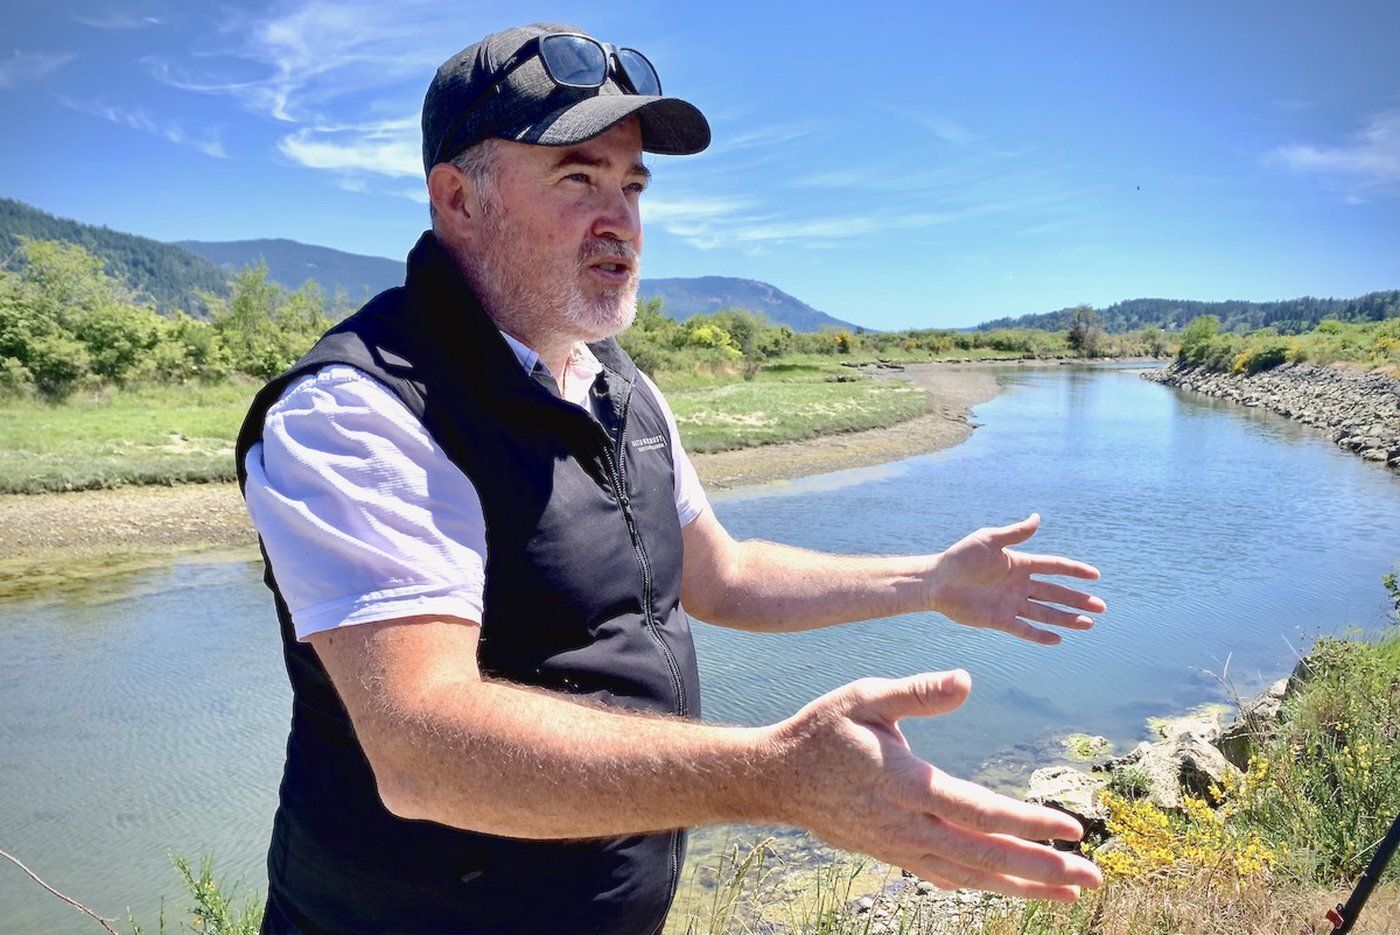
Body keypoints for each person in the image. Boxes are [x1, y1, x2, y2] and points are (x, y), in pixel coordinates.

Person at [235, 21, 1107, 935]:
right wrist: (777, 774)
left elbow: (720, 575)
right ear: (457, 198)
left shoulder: (617, 383)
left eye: (633, 185)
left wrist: (928, 582)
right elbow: (423, 748)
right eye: (578, 177)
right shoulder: (360, 410)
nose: (621, 220)